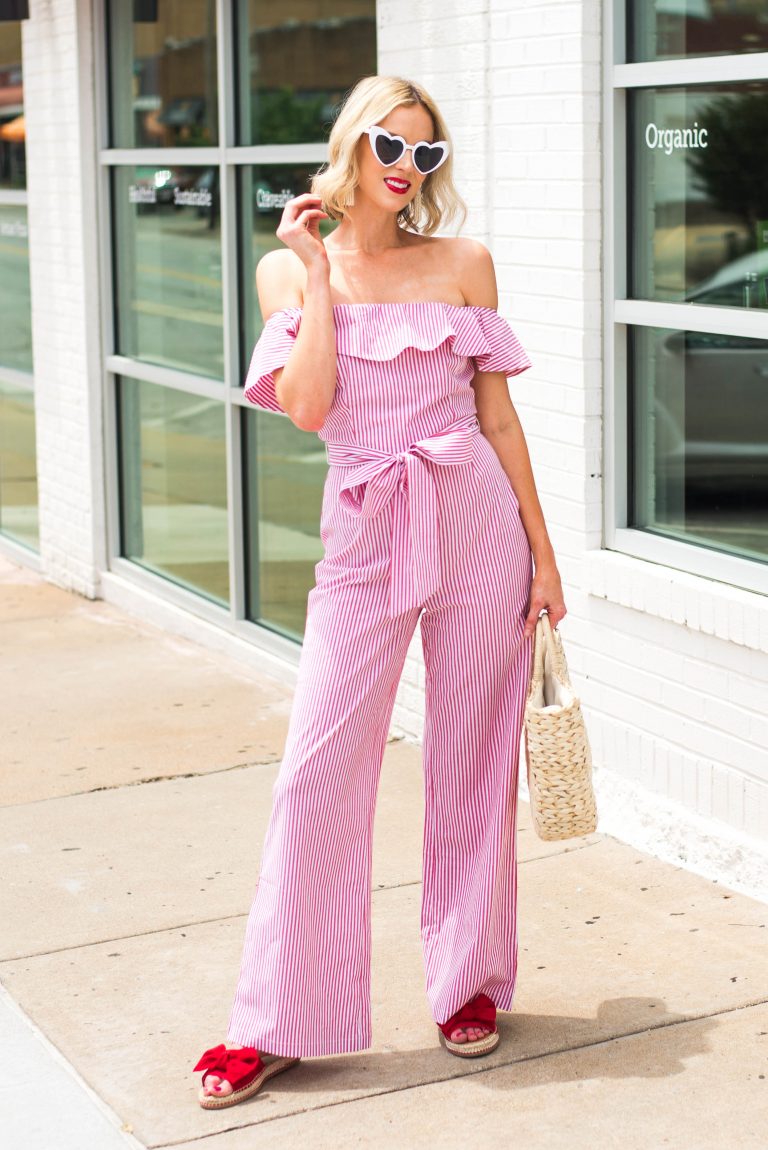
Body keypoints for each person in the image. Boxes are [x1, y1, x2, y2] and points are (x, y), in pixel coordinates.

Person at [193, 74, 566, 1110]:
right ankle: (275, 1021)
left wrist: (543, 555)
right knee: (314, 775)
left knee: (473, 761)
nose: (406, 172)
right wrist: (318, 275)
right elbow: (309, 408)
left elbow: (498, 420)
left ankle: (470, 985)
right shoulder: (288, 267)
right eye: (389, 149)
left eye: (427, 156)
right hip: (364, 527)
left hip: (477, 520)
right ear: (351, 149)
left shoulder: (464, 263)